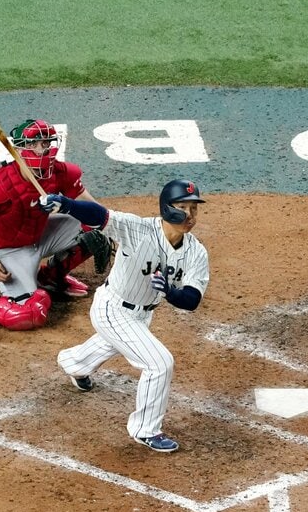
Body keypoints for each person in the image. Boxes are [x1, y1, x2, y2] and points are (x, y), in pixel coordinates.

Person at [55, 179, 211, 453]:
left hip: (141, 315)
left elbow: (192, 300)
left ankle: (73, 363)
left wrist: (172, 293)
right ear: (167, 208)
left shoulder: (196, 252)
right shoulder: (138, 230)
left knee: (113, 341)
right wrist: (67, 204)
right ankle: (145, 430)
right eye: (183, 207)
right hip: (111, 308)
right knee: (160, 363)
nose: (190, 215)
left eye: (194, 208)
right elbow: (100, 215)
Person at [0, 119, 110, 332]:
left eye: (46, 142)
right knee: (28, 314)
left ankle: (51, 277)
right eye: (34, 144)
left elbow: (97, 211)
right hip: (6, 249)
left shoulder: (60, 172)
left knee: (97, 226)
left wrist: (109, 230)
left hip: (39, 234)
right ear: (19, 149)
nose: (43, 149)